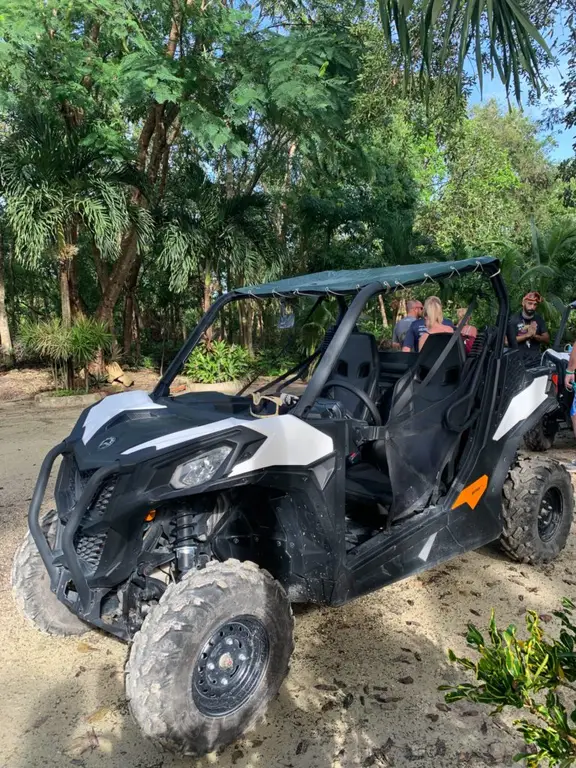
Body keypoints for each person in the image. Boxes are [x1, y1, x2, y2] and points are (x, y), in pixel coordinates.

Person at [508, 292, 549, 367]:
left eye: (535, 304)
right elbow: (506, 342)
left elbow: (546, 339)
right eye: (530, 303)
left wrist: (535, 336)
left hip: (535, 361)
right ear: (523, 303)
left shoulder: (539, 320)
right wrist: (527, 336)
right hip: (517, 362)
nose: (532, 307)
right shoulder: (513, 320)